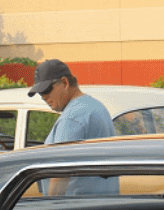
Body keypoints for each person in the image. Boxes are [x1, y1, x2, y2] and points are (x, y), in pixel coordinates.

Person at [28, 59, 117, 194]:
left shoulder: (72, 119)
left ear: (65, 83)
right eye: (40, 93)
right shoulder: (95, 106)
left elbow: (59, 176)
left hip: (76, 209)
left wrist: (50, 209)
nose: (43, 97)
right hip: (102, 206)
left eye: (46, 89)